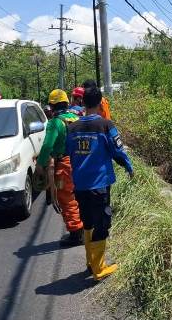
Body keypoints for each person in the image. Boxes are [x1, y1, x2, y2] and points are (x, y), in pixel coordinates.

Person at [66, 84, 133, 280]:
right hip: (99, 184)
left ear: (83, 103)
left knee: (87, 221)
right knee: (102, 223)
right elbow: (118, 151)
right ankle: (99, 268)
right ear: (100, 102)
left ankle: (90, 262)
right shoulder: (105, 126)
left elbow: (67, 151)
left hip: (80, 184)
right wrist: (129, 167)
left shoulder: (72, 128)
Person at [36, 89, 84, 246]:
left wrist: (40, 165)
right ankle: (84, 227)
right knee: (80, 196)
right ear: (66, 102)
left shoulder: (55, 123)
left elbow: (47, 146)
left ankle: (76, 233)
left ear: (51, 106)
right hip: (81, 161)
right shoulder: (77, 117)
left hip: (64, 165)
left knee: (66, 198)